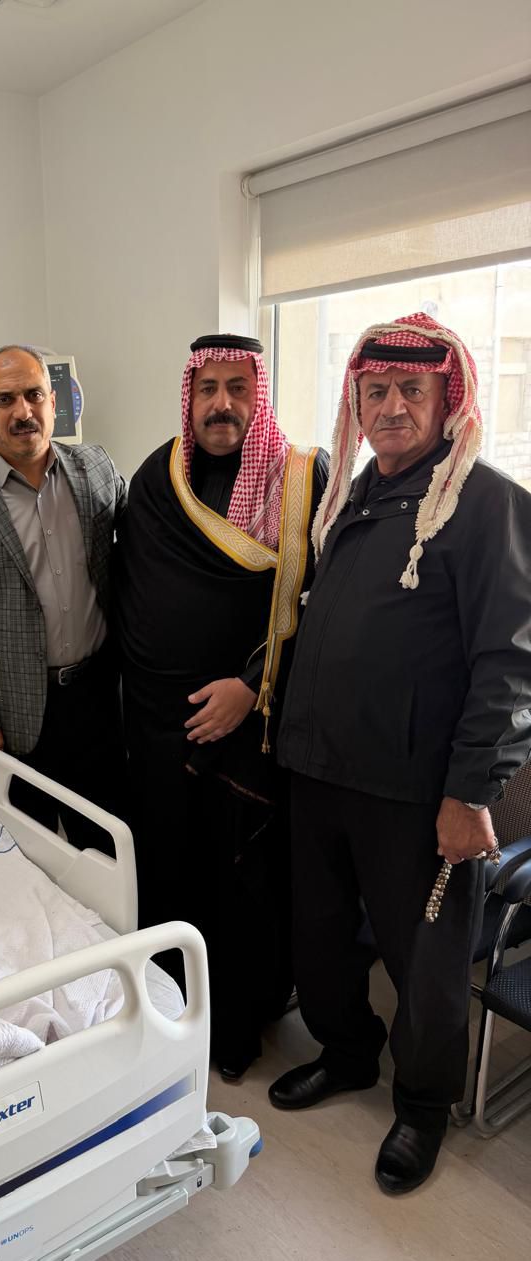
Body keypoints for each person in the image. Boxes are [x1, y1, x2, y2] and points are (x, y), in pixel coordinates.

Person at [271, 312, 531, 1194]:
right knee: (320, 936)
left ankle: (422, 1106)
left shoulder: (485, 504)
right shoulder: (354, 494)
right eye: (375, 391)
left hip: (419, 793)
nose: (390, 408)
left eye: (410, 391)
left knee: (426, 966)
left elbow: (510, 664)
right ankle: (347, 1054)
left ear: (445, 397)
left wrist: (471, 793)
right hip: (319, 770)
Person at [113, 333, 328, 1078]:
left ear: (258, 395)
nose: (221, 404)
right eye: (208, 388)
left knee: (240, 877)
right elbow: (129, 584)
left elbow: (319, 605)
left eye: (238, 388)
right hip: (159, 726)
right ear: (190, 394)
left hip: (249, 722)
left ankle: (236, 1028)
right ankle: (173, 1015)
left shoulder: (299, 478)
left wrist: (249, 686)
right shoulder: (159, 475)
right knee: (168, 871)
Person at [0, 344, 128, 851]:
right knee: (31, 853)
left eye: (34, 395)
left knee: (108, 842)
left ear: (54, 402)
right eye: (5, 399)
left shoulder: (96, 467)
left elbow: (138, 555)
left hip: (100, 694)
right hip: (12, 711)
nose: (22, 411)